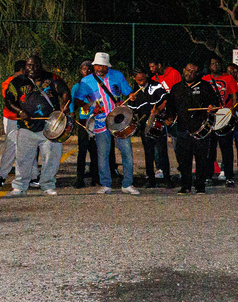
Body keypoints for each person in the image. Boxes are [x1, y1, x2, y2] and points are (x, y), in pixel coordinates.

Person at [73, 52, 139, 195]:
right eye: (98, 66)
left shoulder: (117, 76)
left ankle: (127, 184)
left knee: (126, 152)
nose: (100, 69)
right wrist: (86, 105)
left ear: (108, 66)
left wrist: (131, 95)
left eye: (103, 66)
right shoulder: (86, 81)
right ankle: (105, 184)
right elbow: (77, 99)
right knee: (102, 154)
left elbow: (128, 92)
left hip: (119, 120)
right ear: (94, 65)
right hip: (100, 121)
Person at [4, 55, 69, 196]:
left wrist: (65, 107)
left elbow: (64, 92)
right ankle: (20, 186)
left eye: (35, 65)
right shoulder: (18, 81)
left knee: (51, 157)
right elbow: (8, 100)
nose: (32, 68)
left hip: (50, 127)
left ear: (41, 66)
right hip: (26, 127)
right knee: (23, 158)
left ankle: (48, 185)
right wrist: (20, 111)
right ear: (25, 66)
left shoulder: (52, 78)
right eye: (29, 65)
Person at [167, 62, 221, 194]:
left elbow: (215, 103)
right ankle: (185, 185)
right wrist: (169, 119)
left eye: (193, 72)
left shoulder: (204, 86)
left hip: (200, 128)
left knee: (201, 158)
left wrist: (212, 107)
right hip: (182, 128)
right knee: (184, 159)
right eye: (188, 70)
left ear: (197, 73)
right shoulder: (176, 88)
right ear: (183, 70)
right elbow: (170, 108)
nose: (190, 73)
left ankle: (200, 185)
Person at [128, 68, 172, 189]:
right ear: (134, 78)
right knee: (148, 152)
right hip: (144, 125)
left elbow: (166, 99)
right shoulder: (134, 92)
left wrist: (158, 109)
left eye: (143, 79)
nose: (142, 82)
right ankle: (151, 179)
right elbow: (132, 110)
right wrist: (131, 100)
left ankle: (167, 178)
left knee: (162, 150)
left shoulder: (155, 86)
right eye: (139, 80)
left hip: (157, 122)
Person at [203, 57, 238, 187]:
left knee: (226, 149)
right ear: (209, 66)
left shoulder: (228, 78)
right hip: (210, 118)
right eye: (213, 63)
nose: (216, 65)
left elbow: (235, 96)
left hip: (224, 117)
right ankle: (208, 176)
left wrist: (232, 111)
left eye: (218, 63)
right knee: (209, 149)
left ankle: (229, 177)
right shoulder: (204, 79)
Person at [0, 60, 27, 188]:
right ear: (22, 70)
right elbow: (10, 100)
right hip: (12, 118)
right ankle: (2, 175)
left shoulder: (27, 82)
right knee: (11, 146)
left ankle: (32, 175)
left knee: (27, 147)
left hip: (24, 118)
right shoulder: (8, 83)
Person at [71, 61, 98, 188]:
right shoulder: (77, 86)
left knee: (95, 150)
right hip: (83, 120)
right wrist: (72, 114)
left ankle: (95, 177)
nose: (86, 72)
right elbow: (72, 102)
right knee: (82, 149)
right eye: (84, 69)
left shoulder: (97, 85)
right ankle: (79, 177)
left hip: (96, 119)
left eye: (89, 69)